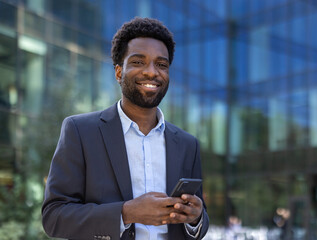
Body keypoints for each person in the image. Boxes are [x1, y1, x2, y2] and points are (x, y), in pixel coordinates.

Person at [41, 17, 209, 240]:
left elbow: (200, 221)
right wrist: (127, 212)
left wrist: (196, 218)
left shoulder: (188, 144)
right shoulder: (80, 131)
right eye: (139, 62)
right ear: (119, 72)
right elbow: (54, 217)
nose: (152, 72)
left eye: (161, 64)